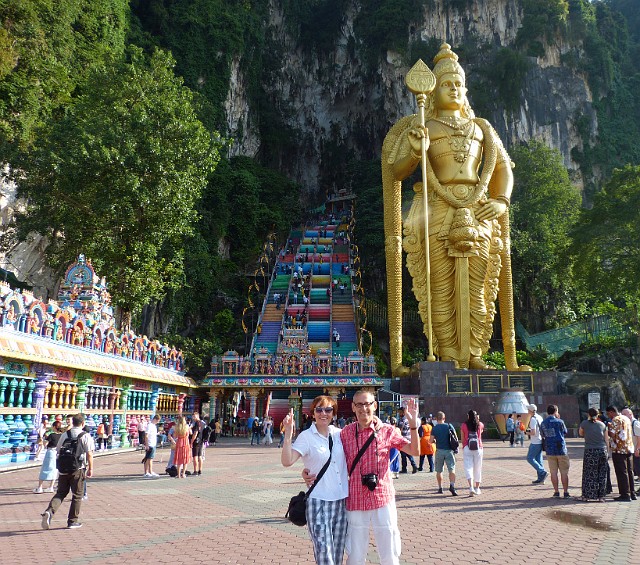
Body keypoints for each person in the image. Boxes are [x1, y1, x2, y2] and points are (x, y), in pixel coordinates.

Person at [382, 42, 523, 374]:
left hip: (479, 210)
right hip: (436, 209)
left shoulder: (483, 128)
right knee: (439, 285)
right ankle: (446, 354)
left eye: (459, 84)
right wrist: (416, 151)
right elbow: (398, 171)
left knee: (481, 284)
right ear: (434, 91)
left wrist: (500, 201)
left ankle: (475, 353)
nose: (454, 89)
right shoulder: (424, 127)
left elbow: (503, 170)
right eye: (447, 84)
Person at [341, 391, 419, 565]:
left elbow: (414, 451)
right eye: (359, 405)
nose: (363, 409)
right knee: (355, 553)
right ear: (353, 407)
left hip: (382, 497)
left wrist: (413, 426)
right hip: (355, 498)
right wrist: (306, 473)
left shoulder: (388, 431)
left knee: (389, 550)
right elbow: (331, 462)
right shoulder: (345, 434)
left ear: (375, 405)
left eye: (367, 404)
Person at [281, 397, 348, 565]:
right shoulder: (307, 437)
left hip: (341, 501)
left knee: (338, 554)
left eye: (328, 410)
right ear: (312, 413)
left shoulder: (341, 434)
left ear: (334, 413)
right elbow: (287, 461)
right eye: (318, 410)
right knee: (325, 554)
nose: (323, 414)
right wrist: (288, 435)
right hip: (318, 501)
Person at [41, 413, 94, 529]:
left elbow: (58, 450)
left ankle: (50, 511)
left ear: (72, 422)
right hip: (77, 469)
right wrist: (91, 468)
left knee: (61, 493)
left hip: (63, 469)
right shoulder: (85, 436)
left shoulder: (65, 434)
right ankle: (72, 521)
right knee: (77, 495)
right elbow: (89, 454)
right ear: (83, 423)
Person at [578, 407, 609, 502]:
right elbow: (606, 439)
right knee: (602, 473)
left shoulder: (584, 423)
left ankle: (588, 494)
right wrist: (608, 452)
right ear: (598, 414)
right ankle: (601, 496)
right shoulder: (602, 424)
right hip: (602, 450)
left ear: (588, 414)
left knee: (589, 473)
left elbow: (581, 434)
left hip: (590, 451)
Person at [540, 404, 571, 498]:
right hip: (561, 449)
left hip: (550, 449)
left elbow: (543, 434)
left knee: (553, 472)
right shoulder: (560, 422)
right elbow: (565, 432)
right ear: (555, 411)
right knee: (564, 472)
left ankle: (556, 491)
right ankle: (565, 492)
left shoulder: (543, 423)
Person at [606, 405, 635, 502]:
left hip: (619, 449)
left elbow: (612, 434)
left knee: (621, 472)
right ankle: (632, 493)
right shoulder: (626, 418)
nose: (608, 416)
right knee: (629, 471)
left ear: (611, 412)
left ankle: (625, 494)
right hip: (629, 448)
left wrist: (608, 428)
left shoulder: (616, 420)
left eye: (608, 413)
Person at [431, 411, 458, 496]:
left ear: (436, 418)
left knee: (439, 470)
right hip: (449, 451)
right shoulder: (449, 426)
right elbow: (456, 438)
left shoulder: (434, 428)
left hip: (439, 451)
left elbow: (430, 441)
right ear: (444, 418)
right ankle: (452, 485)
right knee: (452, 469)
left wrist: (435, 440)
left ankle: (440, 488)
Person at [34, 420, 63, 493]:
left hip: (50, 452)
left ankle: (40, 487)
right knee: (55, 469)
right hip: (58, 452)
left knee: (45, 468)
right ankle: (51, 487)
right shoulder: (62, 435)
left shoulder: (52, 435)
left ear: (54, 427)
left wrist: (43, 439)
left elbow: (45, 444)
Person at [460, 410, 484, 495]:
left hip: (467, 447)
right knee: (478, 468)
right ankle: (477, 488)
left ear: (468, 416)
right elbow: (480, 434)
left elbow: (462, 439)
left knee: (468, 467)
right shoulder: (480, 424)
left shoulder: (463, 425)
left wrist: (464, 446)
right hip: (478, 447)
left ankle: (471, 487)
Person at [526, 404, 548, 484]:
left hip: (535, 441)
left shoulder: (532, 419)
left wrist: (526, 432)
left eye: (528, 409)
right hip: (540, 440)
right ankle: (541, 479)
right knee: (539, 459)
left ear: (530, 411)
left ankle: (542, 472)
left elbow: (533, 432)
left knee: (530, 458)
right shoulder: (539, 417)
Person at [621, 408, 640, 482]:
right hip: (633, 449)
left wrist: (638, 449)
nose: (623, 416)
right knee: (636, 468)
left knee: (638, 467)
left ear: (630, 414)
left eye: (624, 414)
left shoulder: (635, 423)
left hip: (637, 449)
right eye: (622, 415)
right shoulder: (628, 423)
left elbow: (639, 437)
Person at [397, 407, 418, 474]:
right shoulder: (408, 419)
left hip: (403, 438)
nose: (399, 413)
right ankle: (414, 465)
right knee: (409, 453)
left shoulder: (401, 420)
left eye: (400, 412)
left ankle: (404, 468)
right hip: (409, 438)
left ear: (403, 412)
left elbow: (399, 430)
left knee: (403, 455)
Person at [190, 411, 205, 476]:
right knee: (200, 456)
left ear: (197, 416)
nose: (193, 417)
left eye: (194, 416)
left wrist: (191, 441)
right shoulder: (203, 423)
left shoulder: (197, 423)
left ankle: (195, 471)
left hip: (196, 441)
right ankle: (200, 470)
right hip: (201, 440)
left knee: (195, 456)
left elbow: (195, 433)